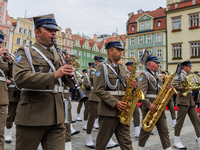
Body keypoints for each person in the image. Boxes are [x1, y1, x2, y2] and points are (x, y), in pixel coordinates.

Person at [13, 14, 75, 150]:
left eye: (55, 31)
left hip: (57, 117)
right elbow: (21, 78)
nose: (54, 33)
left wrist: (69, 71)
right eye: (49, 30)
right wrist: (54, 74)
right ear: (37, 32)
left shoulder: (58, 55)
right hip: (33, 116)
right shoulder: (25, 51)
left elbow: (68, 84)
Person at [94, 40, 137, 150]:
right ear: (109, 51)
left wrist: (133, 87)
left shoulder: (122, 68)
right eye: (118, 50)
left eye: (121, 50)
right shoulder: (102, 67)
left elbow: (125, 90)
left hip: (123, 112)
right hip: (108, 111)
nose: (120, 53)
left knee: (127, 143)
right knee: (101, 143)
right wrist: (115, 103)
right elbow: (98, 90)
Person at [137, 55, 172, 150]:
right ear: (149, 64)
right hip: (149, 107)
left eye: (158, 63)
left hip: (159, 107)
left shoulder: (158, 76)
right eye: (156, 63)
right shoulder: (144, 74)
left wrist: (166, 90)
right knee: (146, 131)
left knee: (164, 130)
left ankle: (168, 148)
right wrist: (148, 104)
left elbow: (159, 92)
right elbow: (141, 93)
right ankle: (140, 148)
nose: (158, 64)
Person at [85, 55, 118, 149]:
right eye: (98, 61)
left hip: (103, 97)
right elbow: (95, 81)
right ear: (95, 62)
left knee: (104, 121)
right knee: (91, 118)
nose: (100, 63)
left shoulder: (105, 69)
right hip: (94, 97)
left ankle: (108, 140)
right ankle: (88, 138)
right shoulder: (93, 71)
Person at [172, 60, 200, 149]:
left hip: (191, 100)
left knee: (197, 121)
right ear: (185, 67)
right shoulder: (179, 75)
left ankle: (199, 139)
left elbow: (193, 88)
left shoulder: (189, 76)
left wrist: (196, 85)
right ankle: (176, 141)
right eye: (189, 66)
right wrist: (184, 88)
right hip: (182, 100)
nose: (191, 68)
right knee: (180, 122)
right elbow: (174, 85)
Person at [0, 30, 12, 150]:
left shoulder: (2, 60)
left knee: (0, 132)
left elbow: (12, 76)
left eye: (1, 43)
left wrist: (11, 63)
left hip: (2, 99)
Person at [125, 62, 140, 139]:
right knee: (127, 115)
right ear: (128, 67)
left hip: (132, 96)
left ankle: (137, 132)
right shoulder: (125, 74)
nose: (133, 68)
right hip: (127, 97)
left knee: (136, 114)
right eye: (132, 66)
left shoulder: (133, 75)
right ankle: (126, 132)